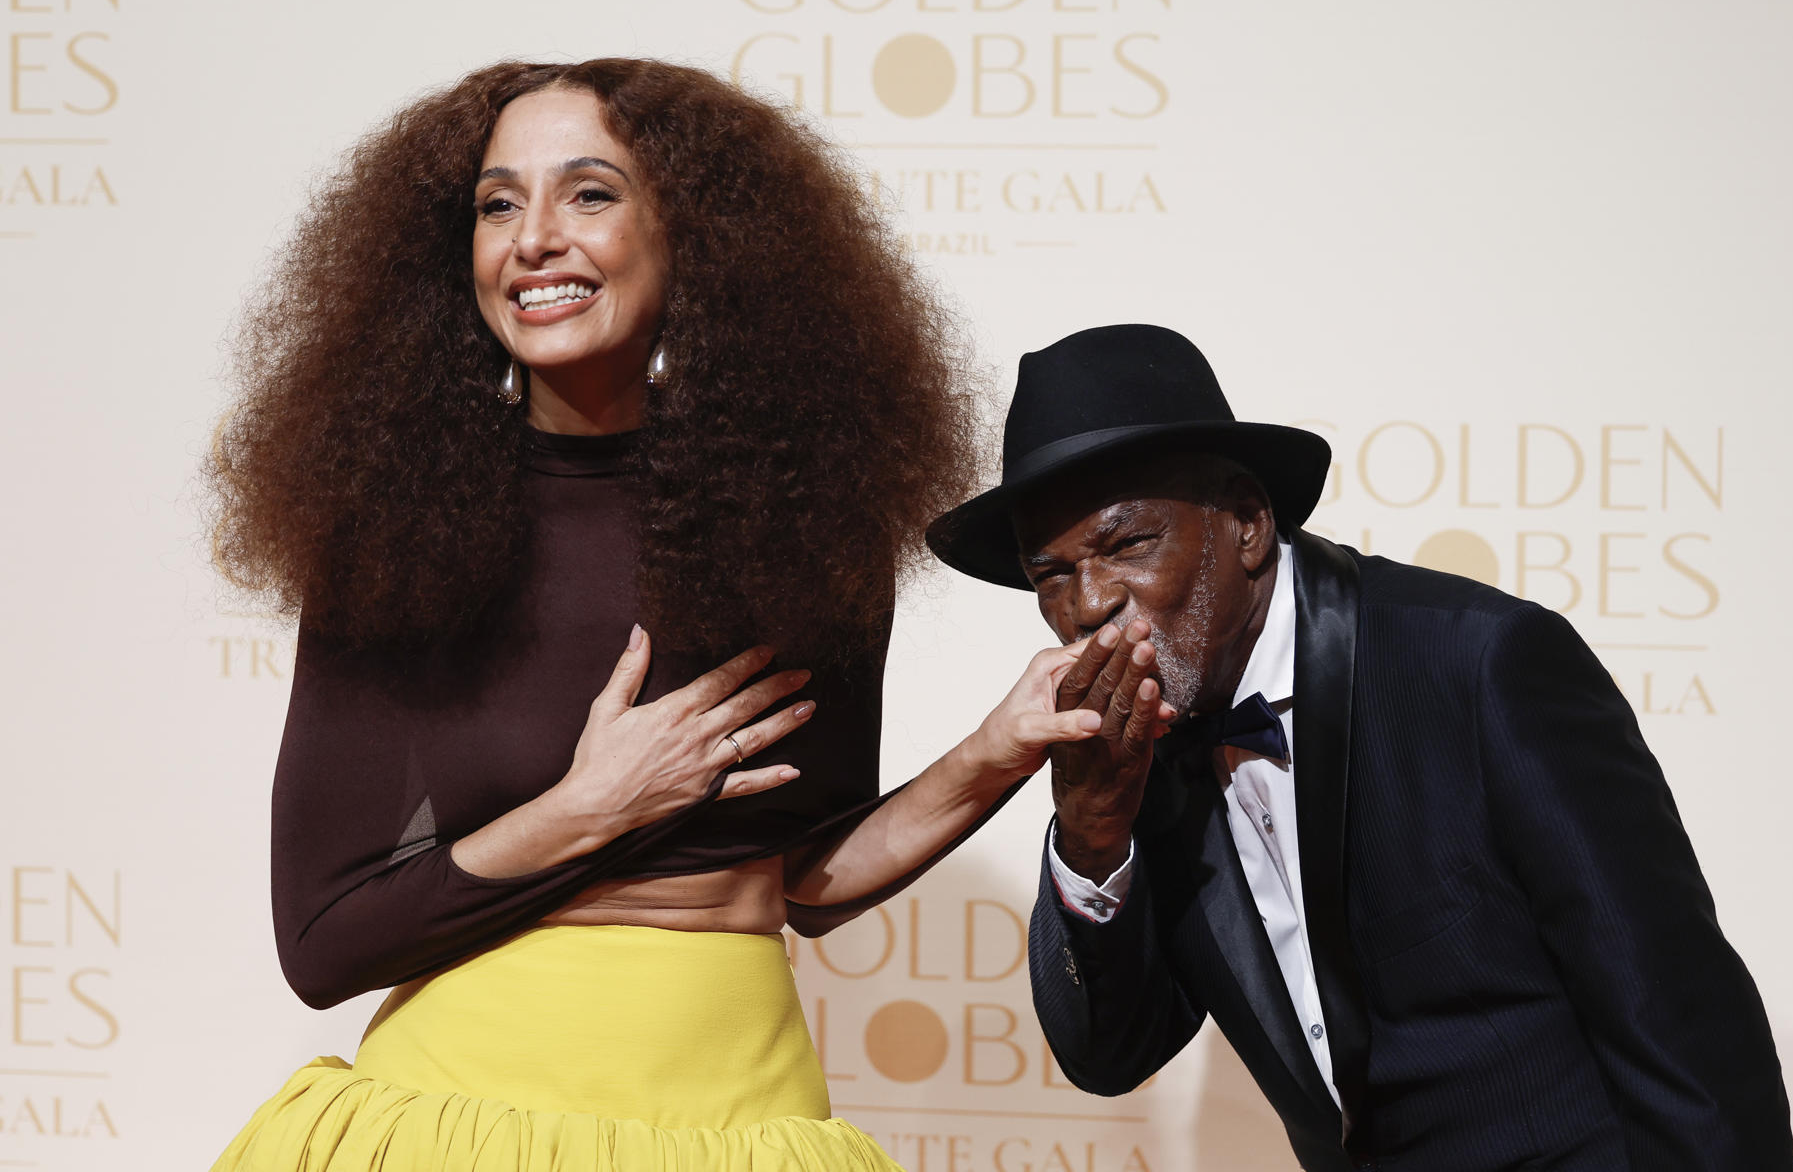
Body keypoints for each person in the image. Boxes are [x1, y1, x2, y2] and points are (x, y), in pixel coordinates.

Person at [205, 58, 1113, 1171]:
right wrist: (592, 805)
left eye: (589, 193)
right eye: (498, 203)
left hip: (743, 1119)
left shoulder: (807, 519)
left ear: (693, 231)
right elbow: (321, 939)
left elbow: (800, 881)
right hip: (464, 1121)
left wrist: (994, 750)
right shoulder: (394, 530)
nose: (535, 237)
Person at [926, 324, 1793, 1171]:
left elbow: (1682, 1029)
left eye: (1127, 545)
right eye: (1051, 575)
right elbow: (1108, 1056)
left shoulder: (1480, 666)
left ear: (1246, 523)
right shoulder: (1134, 752)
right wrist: (1092, 833)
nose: (1087, 604)